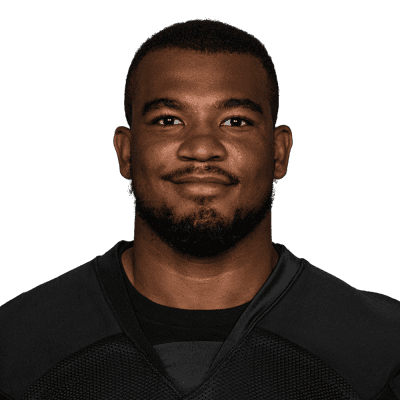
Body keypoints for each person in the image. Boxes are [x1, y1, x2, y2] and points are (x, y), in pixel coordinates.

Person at [0, 19, 399, 400]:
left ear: (279, 152)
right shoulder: (16, 348)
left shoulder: (382, 351)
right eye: (168, 120)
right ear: (126, 152)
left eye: (236, 121)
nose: (202, 148)